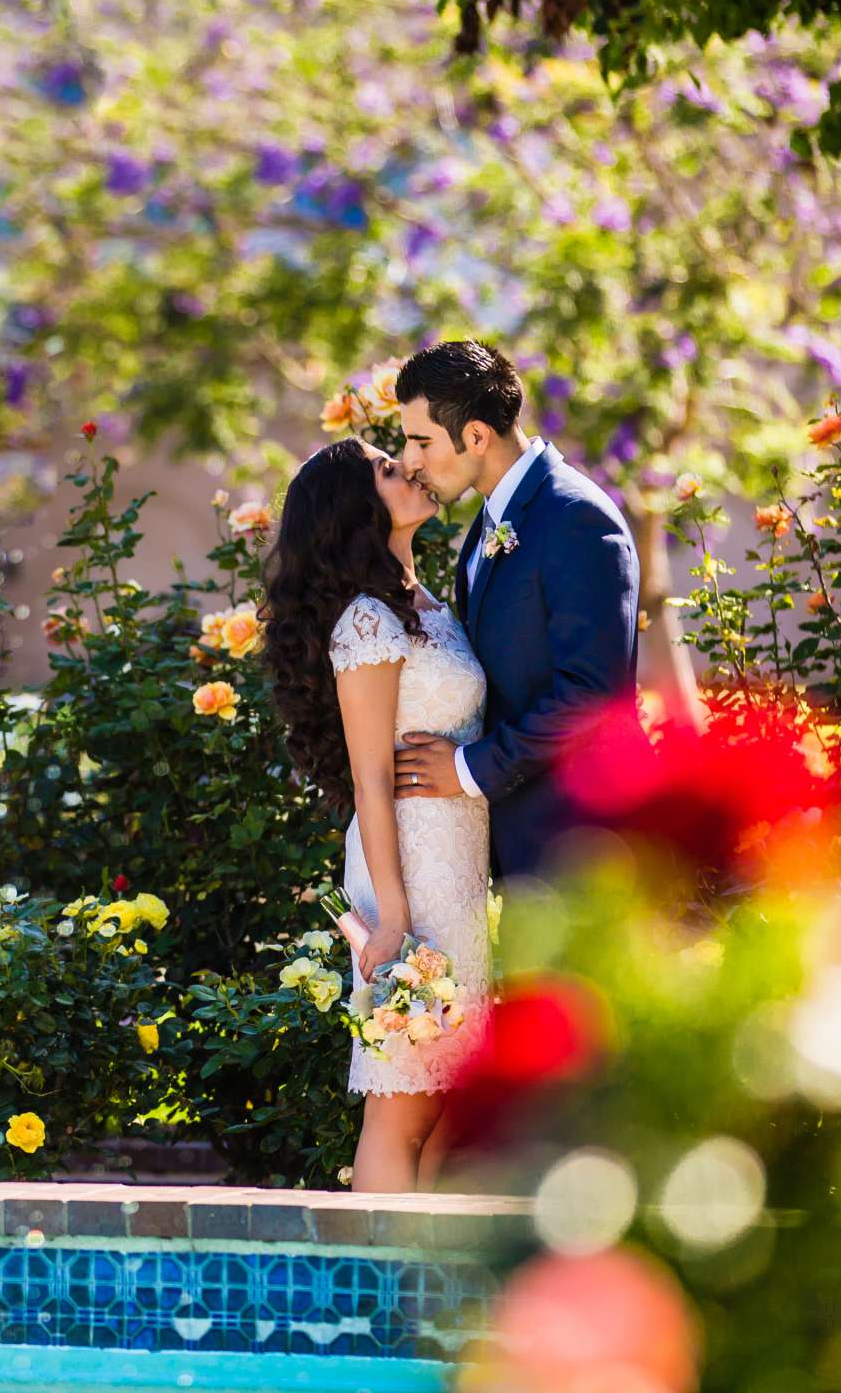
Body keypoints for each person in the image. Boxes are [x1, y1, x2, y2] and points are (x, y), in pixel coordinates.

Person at [261, 435, 489, 1192]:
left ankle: (430, 1294)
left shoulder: (425, 603)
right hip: (407, 876)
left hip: (455, 866)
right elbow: (369, 781)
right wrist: (391, 918)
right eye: (389, 470)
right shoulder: (366, 621)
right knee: (403, 1102)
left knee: (453, 1099)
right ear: (359, 508)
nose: (412, 469)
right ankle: (382, 1297)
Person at [387, 341, 639, 882]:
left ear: (476, 436)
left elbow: (592, 693)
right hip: (523, 847)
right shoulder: (485, 527)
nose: (410, 461)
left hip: (583, 843)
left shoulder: (576, 517)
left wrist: (465, 768)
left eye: (421, 441)